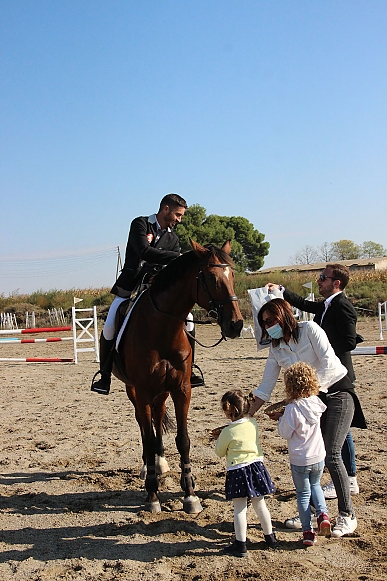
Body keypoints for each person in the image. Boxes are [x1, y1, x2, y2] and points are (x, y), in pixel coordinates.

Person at [248, 298, 366, 538]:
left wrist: (301, 398)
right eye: (265, 323)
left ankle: (347, 515)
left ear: (284, 315)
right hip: (309, 404)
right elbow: (266, 386)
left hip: (337, 394)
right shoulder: (276, 348)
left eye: (271, 320)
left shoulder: (310, 330)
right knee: (311, 459)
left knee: (332, 455)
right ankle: (314, 512)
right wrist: (247, 414)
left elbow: (331, 365)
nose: (269, 326)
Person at [91, 193, 204, 395]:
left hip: (157, 289)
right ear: (166, 209)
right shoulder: (141, 224)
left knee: (189, 318)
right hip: (132, 285)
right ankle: (104, 374)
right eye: (178, 215)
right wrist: (178, 257)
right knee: (109, 324)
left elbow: (173, 269)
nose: (179, 219)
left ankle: (191, 368)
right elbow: (144, 251)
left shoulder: (173, 238)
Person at [268, 263, 361, 500]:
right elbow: (306, 305)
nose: (319, 281)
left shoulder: (343, 306)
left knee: (342, 432)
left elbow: (349, 342)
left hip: (335, 375)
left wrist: (322, 348)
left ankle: (350, 477)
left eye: (323, 277)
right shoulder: (327, 305)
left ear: (336, 283)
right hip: (317, 376)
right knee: (330, 429)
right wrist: (283, 291)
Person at [269, 362, 330, 546]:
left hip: (300, 459)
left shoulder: (292, 409)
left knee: (303, 494)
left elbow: (285, 433)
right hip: (318, 455)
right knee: (316, 485)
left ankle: (308, 531)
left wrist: (280, 419)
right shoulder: (316, 403)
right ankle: (322, 514)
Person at [214, 389, 277, 557]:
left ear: (228, 411)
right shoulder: (252, 423)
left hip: (238, 471)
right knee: (260, 504)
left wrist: (220, 438)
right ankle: (270, 537)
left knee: (240, 509)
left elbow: (219, 452)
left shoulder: (227, 431)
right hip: (256, 467)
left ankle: (241, 544)